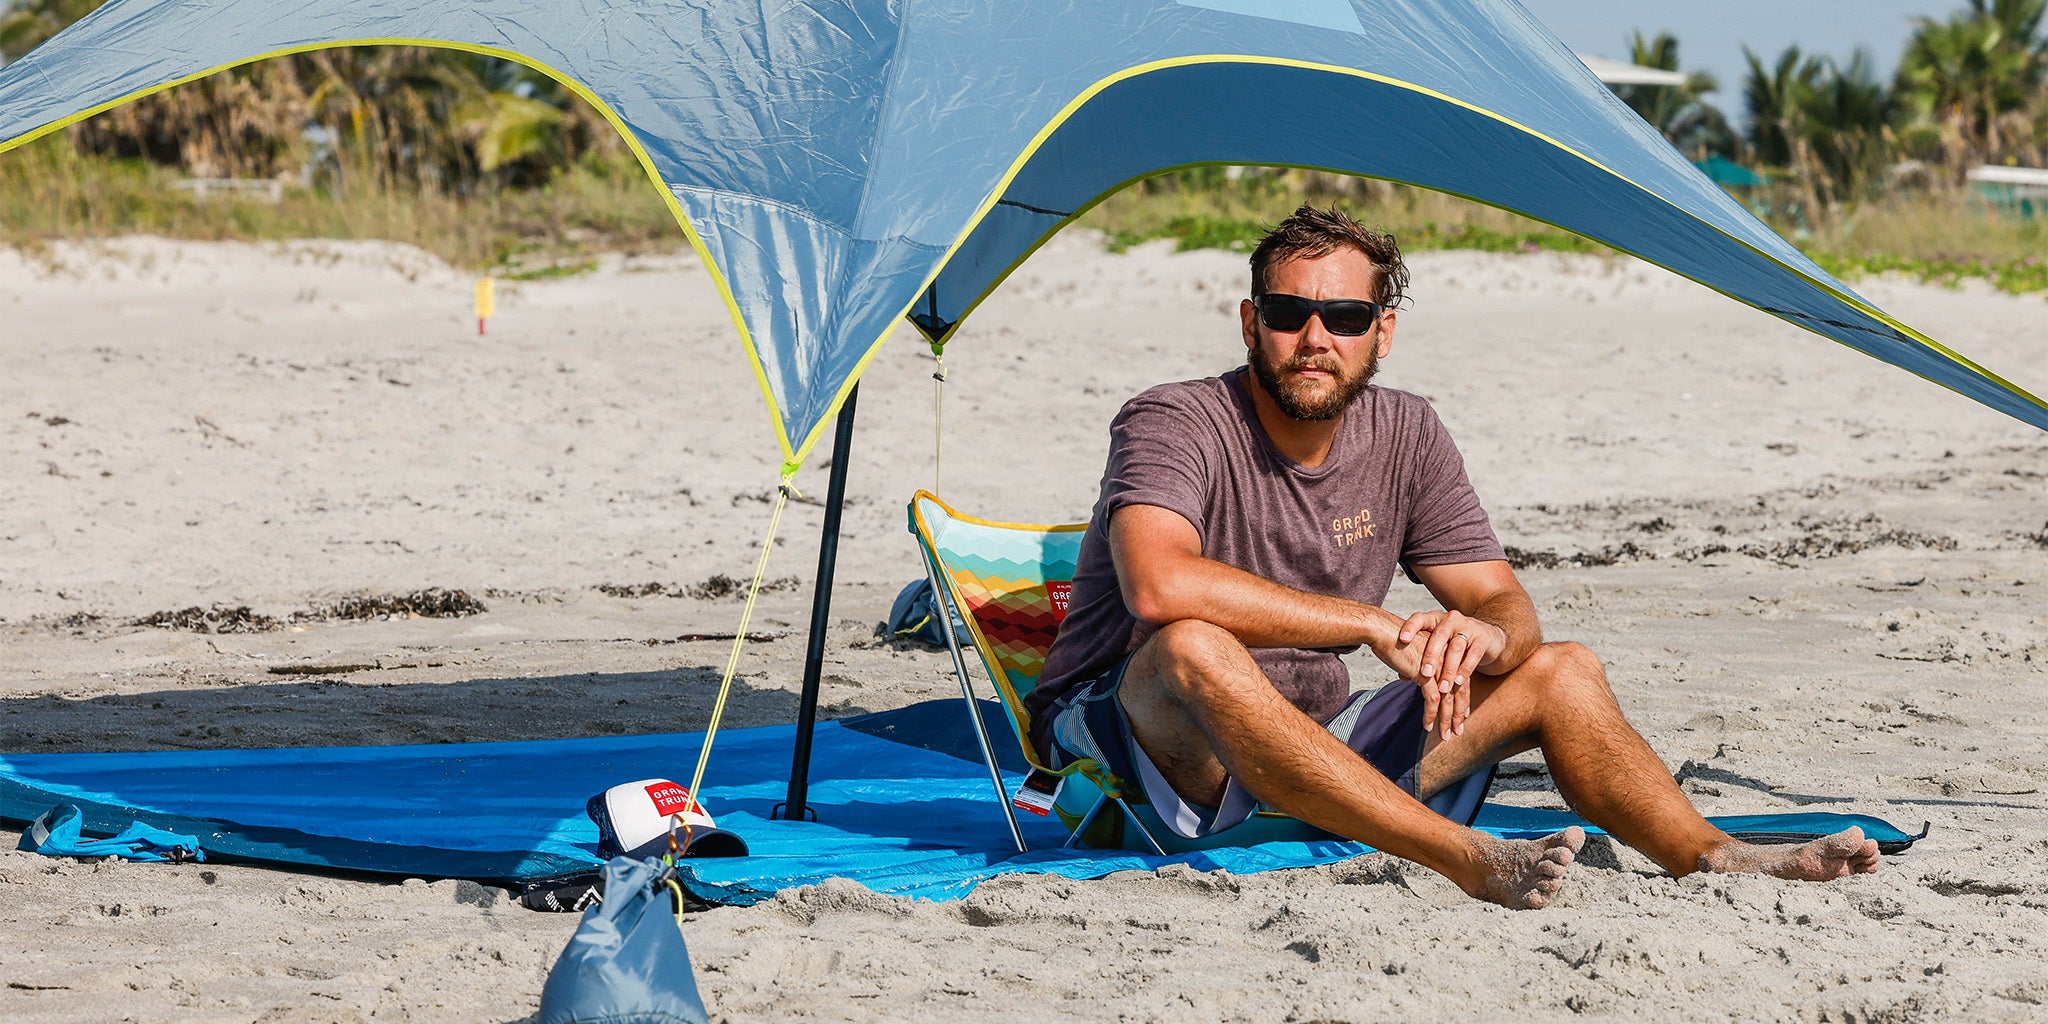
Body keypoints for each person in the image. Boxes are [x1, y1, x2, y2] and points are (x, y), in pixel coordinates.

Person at [1025, 205, 1880, 909]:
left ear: (1382, 332)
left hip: (1316, 748)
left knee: (1564, 668)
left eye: (1346, 318)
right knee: (1190, 642)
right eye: (1288, 314)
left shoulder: (1408, 431)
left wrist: (1480, 641)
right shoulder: (1174, 419)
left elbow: (1504, 604)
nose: (1314, 337)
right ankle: (1461, 856)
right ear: (1253, 322)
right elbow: (1158, 585)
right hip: (1143, 749)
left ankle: (1711, 854)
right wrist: (1370, 623)